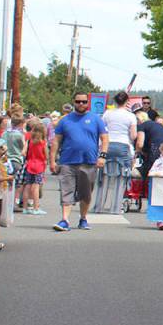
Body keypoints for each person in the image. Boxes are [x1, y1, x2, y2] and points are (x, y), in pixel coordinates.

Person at [51, 93, 108, 232]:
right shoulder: (65, 120)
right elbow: (56, 141)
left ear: (88, 102)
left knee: (86, 193)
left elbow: (105, 139)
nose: (81, 104)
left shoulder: (96, 119)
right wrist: (52, 160)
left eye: (83, 102)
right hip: (67, 161)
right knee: (66, 191)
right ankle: (64, 220)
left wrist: (102, 156)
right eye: (78, 101)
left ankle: (83, 218)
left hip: (88, 161)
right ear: (74, 102)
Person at [98, 91, 139, 215]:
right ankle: (115, 208)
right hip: (123, 145)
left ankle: (99, 206)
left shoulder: (107, 113)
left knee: (104, 176)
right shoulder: (131, 116)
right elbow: (133, 135)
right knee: (121, 177)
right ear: (127, 102)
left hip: (108, 145)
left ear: (115, 101)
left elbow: (101, 130)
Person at [137, 113, 163, 184]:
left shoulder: (142, 125)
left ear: (139, 120)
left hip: (158, 148)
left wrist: (137, 152)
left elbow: (140, 144)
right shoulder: (158, 125)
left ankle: (147, 190)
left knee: (150, 170)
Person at [20, 120, 48, 215]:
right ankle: (36, 208)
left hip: (29, 164)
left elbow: (23, 152)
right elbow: (46, 155)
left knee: (27, 186)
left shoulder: (29, 141)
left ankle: (25, 208)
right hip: (39, 166)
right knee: (36, 187)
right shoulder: (43, 143)